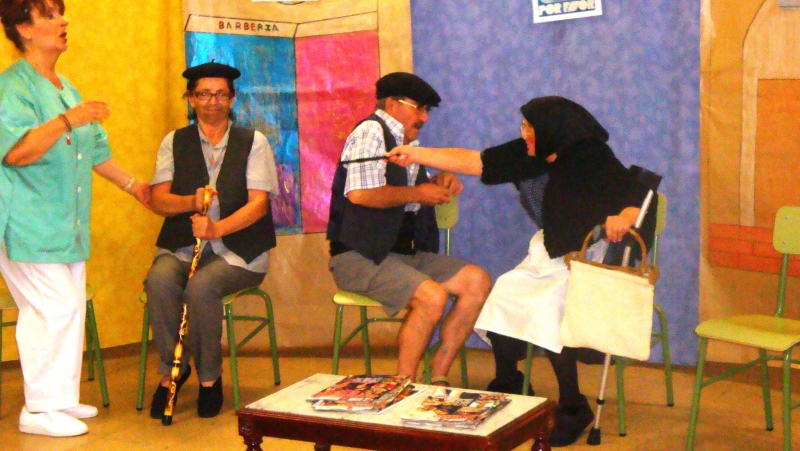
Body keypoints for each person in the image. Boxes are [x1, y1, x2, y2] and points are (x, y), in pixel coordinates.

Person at [387, 96, 657, 446]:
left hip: (590, 253)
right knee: (505, 292)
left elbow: (639, 195)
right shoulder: (535, 151)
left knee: (549, 308)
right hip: (551, 248)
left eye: (528, 127)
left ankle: (573, 406)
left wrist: (625, 216)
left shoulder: (591, 154)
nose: (523, 132)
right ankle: (510, 382)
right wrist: (417, 154)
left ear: (551, 129)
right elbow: (476, 161)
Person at [0, 0, 151, 437]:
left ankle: (59, 398)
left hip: (66, 225)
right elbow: (16, 152)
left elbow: (96, 153)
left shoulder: (66, 87)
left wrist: (136, 187)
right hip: (26, 224)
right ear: (24, 29)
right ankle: (38, 409)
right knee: (52, 309)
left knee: (69, 308)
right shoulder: (12, 88)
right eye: (49, 15)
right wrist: (68, 120)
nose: (63, 21)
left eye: (61, 13)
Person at [326, 72, 492, 385]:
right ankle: (404, 384)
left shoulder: (409, 144)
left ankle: (438, 373)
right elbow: (360, 194)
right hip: (358, 256)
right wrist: (418, 193)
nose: (424, 118)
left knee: (477, 281)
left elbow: (410, 198)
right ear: (392, 103)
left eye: (427, 111)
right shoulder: (370, 132)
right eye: (419, 108)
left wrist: (438, 182)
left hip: (402, 254)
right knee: (432, 297)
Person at [144, 61, 279, 420]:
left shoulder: (254, 142)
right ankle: (173, 368)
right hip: (183, 248)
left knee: (201, 288)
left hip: (240, 253)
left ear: (232, 99)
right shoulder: (174, 141)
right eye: (204, 94)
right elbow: (159, 200)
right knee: (159, 281)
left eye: (220, 94)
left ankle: (209, 378)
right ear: (191, 99)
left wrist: (217, 229)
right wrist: (191, 203)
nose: (212, 101)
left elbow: (259, 204)